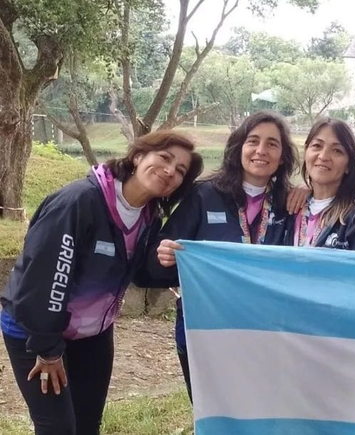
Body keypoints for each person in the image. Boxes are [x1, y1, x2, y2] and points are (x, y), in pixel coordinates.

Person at [1, 131, 203, 435]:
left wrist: (173, 262)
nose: (169, 171)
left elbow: (141, 275)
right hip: (35, 330)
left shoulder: (149, 218)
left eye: (180, 170)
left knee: (87, 424)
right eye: (164, 158)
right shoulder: (78, 202)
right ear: (138, 156)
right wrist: (48, 350)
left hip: (93, 334)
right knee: (58, 428)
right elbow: (42, 278)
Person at [142, 111, 298, 402]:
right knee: (210, 409)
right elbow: (154, 263)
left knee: (259, 406)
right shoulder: (204, 194)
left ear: (282, 156)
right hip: (205, 327)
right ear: (239, 147)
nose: (261, 150)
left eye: (272, 144)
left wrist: (308, 191)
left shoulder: (290, 203)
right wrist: (164, 256)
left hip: (265, 330)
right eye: (253, 141)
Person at [284, 117, 355, 250]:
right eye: (317, 146)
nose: (323, 156)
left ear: (349, 165)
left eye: (337, 151)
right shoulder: (291, 205)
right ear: (306, 152)